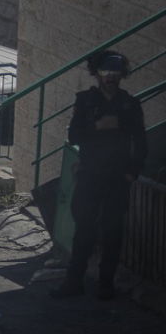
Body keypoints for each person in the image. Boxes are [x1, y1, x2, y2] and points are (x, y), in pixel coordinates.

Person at [53, 50, 147, 301]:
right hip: (90, 174)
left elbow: (140, 141)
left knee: (113, 231)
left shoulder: (129, 104)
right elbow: (74, 136)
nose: (110, 77)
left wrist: (131, 173)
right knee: (84, 229)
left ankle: (106, 285)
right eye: (105, 72)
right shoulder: (85, 101)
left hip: (117, 177)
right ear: (97, 74)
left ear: (121, 75)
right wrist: (97, 126)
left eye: (115, 73)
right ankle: (74, 282)